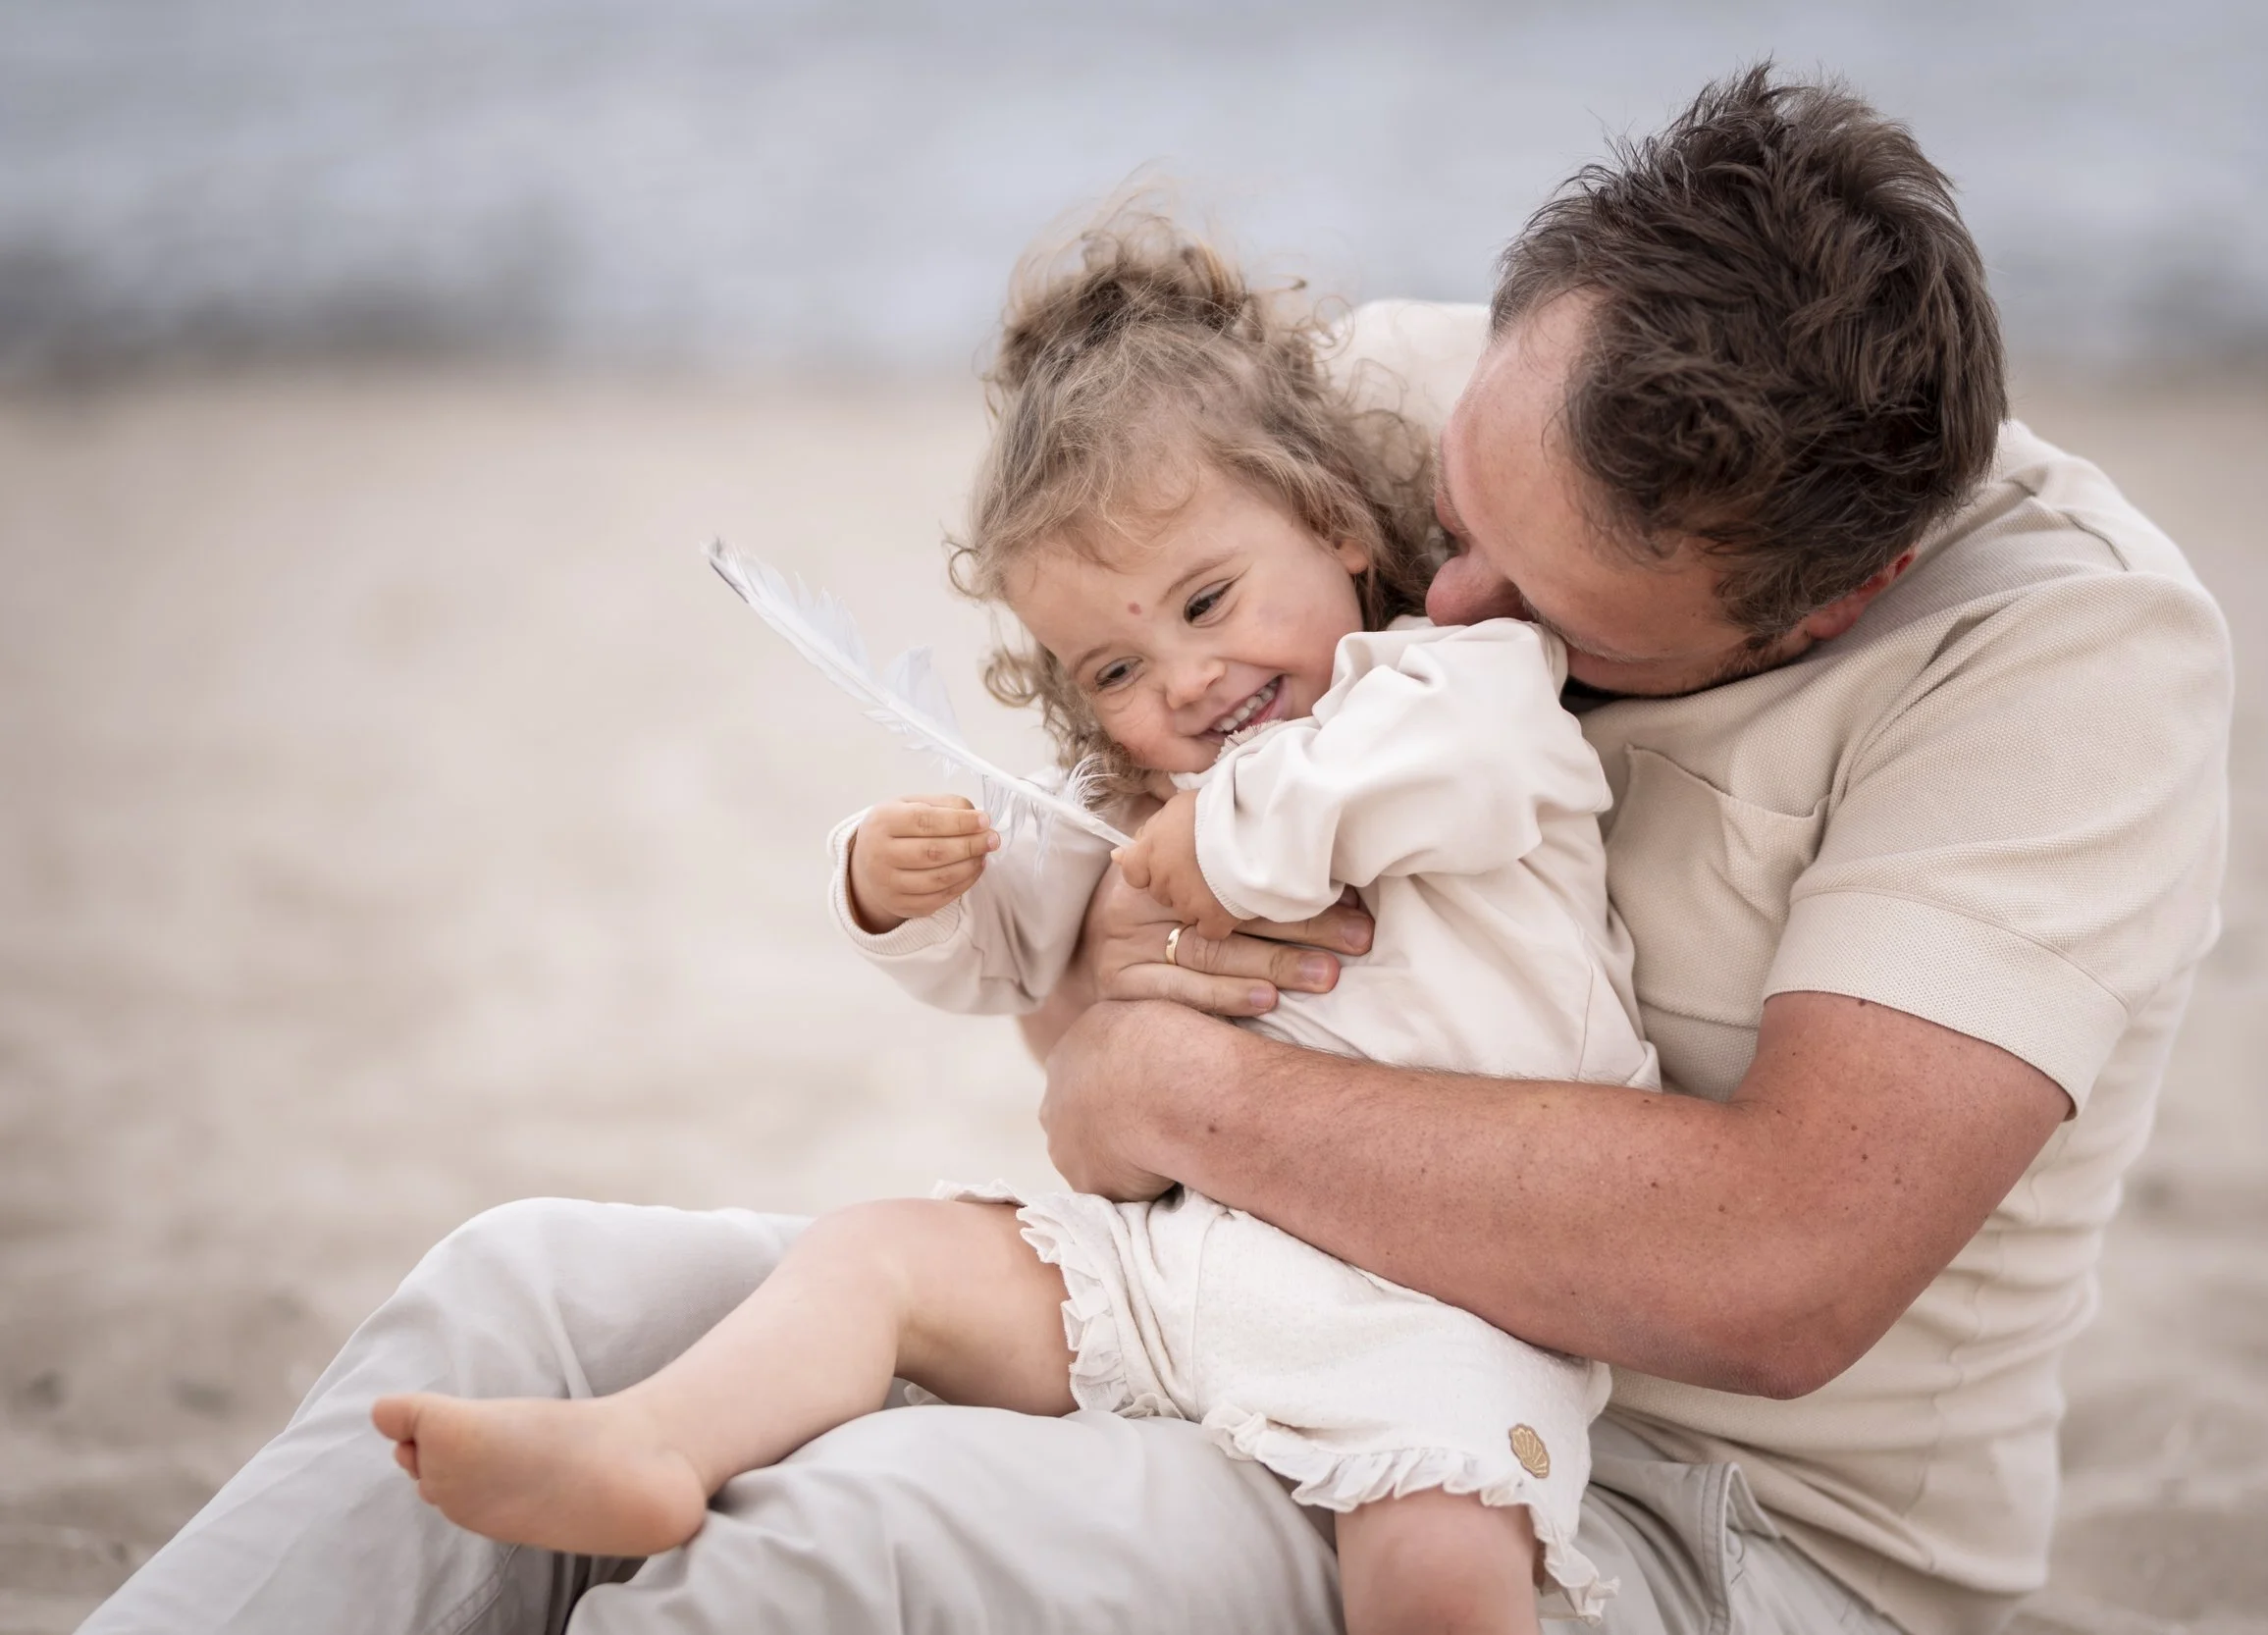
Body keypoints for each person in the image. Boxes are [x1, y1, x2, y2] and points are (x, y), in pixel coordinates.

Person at [79, 64, 2230, 1635]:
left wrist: (1175, 1082)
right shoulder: (1437, 406)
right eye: (1440, 521)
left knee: (839, 1549)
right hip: (1236, 1295)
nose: (1437, 602)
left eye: (1540, 613)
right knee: (527, 1287)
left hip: (1678, 1513)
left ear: (1809, 606)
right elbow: (1098, 794)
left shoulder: (2063, 673)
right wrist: (1058, 984)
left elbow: (1777, 1271)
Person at [366, 221, 1661, 1634]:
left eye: (1209, 599)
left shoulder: (1455, 685)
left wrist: (1227, 838)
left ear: (1336, 521)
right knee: (876, 1249)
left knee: (1438, 1581)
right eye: (1116, 664)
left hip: (1447, 1305)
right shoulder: (1139, 795)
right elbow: (1012, 951)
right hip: (1193, 1271)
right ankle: (657, 1439)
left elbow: (1458, 775)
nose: (1189, 678)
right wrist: (891, 882)